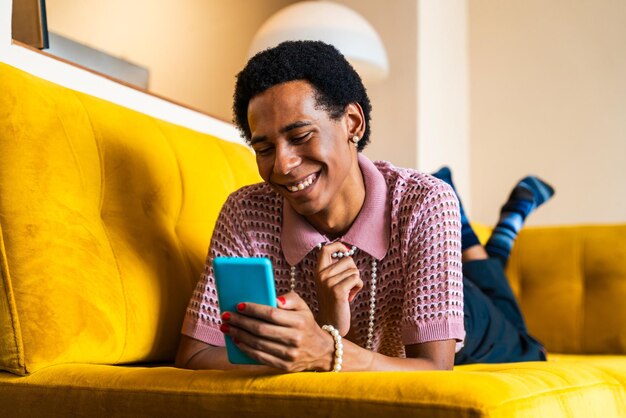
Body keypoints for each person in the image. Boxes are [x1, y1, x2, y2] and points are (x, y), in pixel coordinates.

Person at [175, 40, 553, 372]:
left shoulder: (423, 202)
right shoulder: (244, 213)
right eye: (264, 149)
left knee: (525, 342)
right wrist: (322, 333)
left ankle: (499, 230)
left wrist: (325, 351)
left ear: (352, 123)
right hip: (376, 342)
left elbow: (434, 368)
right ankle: (488, 235)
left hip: (456, 310)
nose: (282, 165)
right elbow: (194, 356)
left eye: (301, 136)